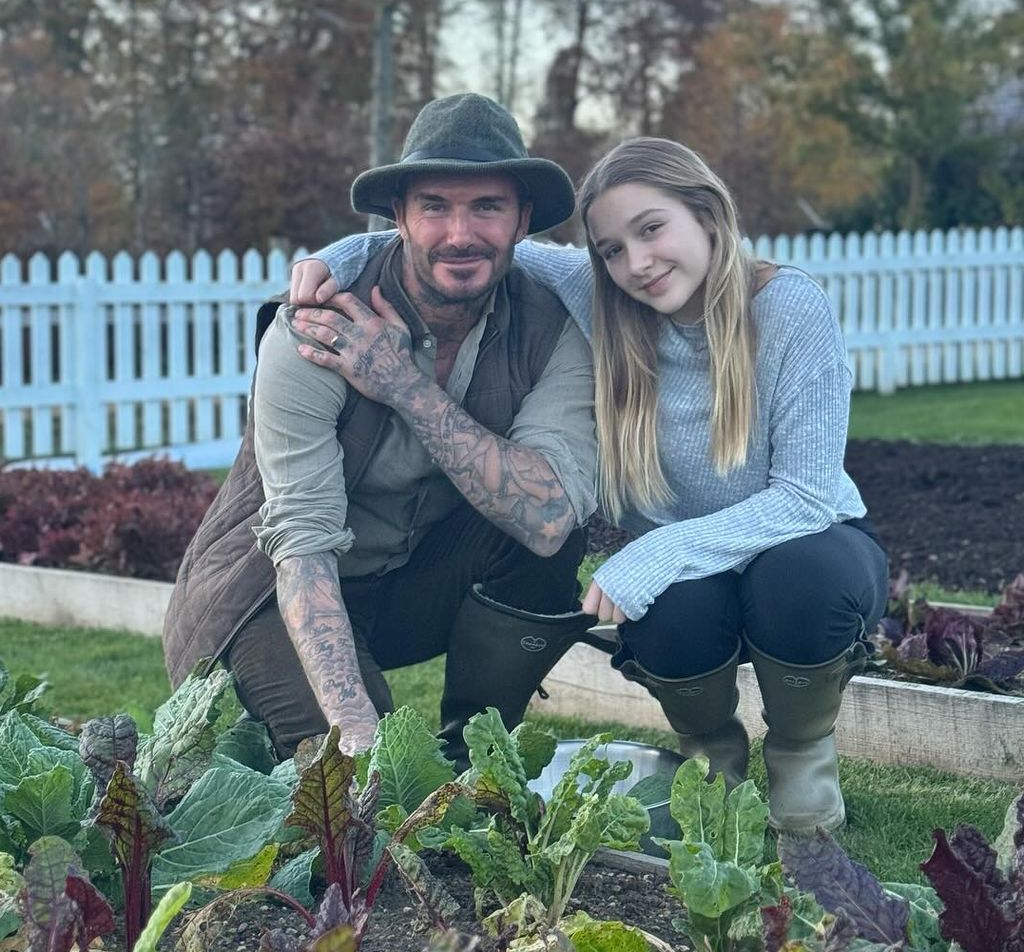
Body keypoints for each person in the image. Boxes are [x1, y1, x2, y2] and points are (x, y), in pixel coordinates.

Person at [293, 136, 889, 834]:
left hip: (803, 540)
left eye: (652, 229)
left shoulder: (787, 306)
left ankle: (801, 755)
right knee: (671, 613)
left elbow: (806, 498)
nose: (637, 263)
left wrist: (657, 552)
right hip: (690, 570)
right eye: (611, 249)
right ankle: (713, 761)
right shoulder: (601, 294)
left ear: (706, 213)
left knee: (802, 579)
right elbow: (457, 248)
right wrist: (328, 261)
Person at [163, 93, 598, 767]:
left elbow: (549, 519)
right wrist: (356, 726)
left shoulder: (550, 327)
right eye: (435, 206)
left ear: (522, 220)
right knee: (371, 777)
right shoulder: (316, 326)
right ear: (399, 216)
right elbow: (302, 544)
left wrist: (405, 387)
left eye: (487, 206)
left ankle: (479, 755)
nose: (460, 233)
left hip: (405, 587)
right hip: (268, 593)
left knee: (552, 532)